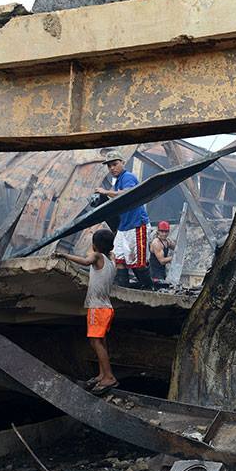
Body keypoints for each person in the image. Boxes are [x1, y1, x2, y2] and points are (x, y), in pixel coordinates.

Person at [53, 229, 120, 395]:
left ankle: (109, 377)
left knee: (95, 342)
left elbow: (85, 261)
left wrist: (64, 255)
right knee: (100, 342)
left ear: (94, 246)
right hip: (106, 307)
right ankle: (102, 374)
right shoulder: (111, 261)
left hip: (97, 308)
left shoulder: (97, 257)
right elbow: (109, 254)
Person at [96, 157, 153, 289]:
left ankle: (148, 288)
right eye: (109, 166)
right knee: (119, 259)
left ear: (122, 163)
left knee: (139, 262)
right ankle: (124, 288)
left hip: (137, 224)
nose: (112, 168)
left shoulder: (128, 177)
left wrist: (106, 192)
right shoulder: (117, 181)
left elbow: (128, 192)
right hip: (124, 227)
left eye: (115, 164)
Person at [148, 220, 175, 285]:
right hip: (155, 275)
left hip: (162, 272)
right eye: (162, 231)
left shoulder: (167, 241)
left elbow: (176, 248)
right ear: (158, 231)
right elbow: (162, 261)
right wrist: (174, 257)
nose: (164, 234)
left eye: (166, 232)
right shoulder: (156, 243)